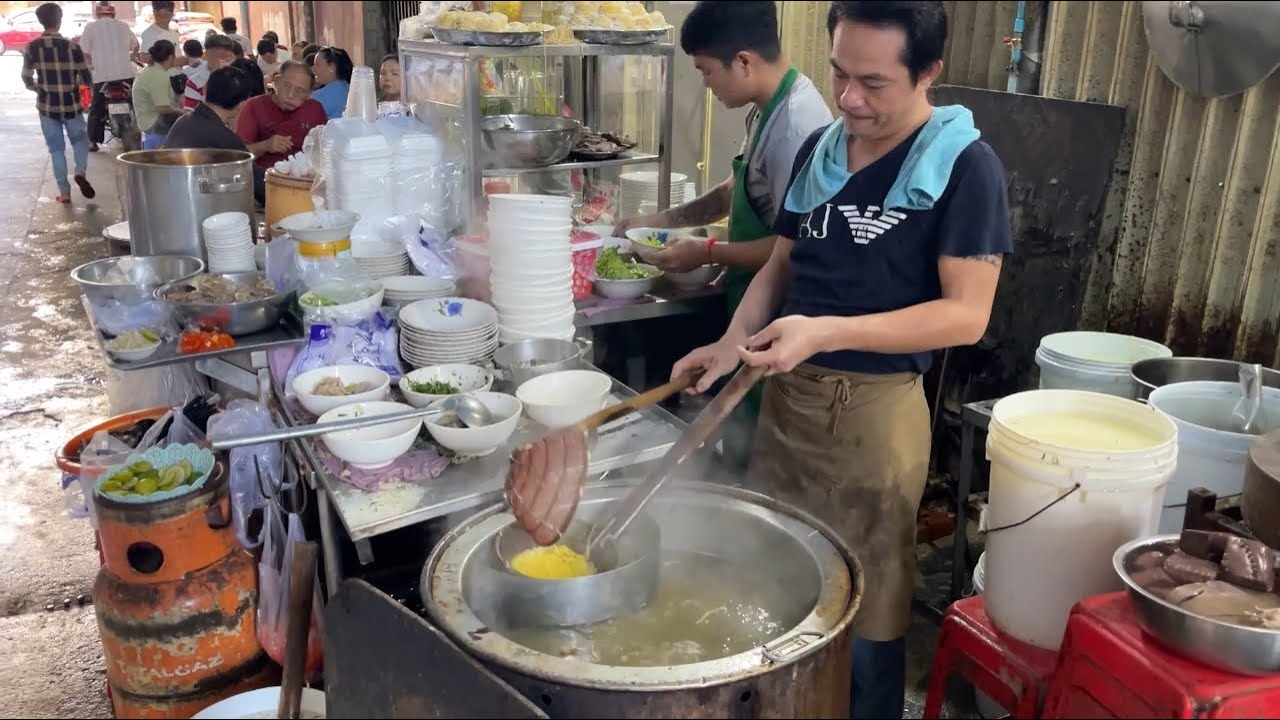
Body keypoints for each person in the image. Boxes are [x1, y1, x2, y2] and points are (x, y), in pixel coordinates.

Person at [670, 3, 1011, 717]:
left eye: (874, 83)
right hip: (786, 401)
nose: (849, 98)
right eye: (838, 73)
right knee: (774, 584)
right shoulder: (820, 148)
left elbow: (966, 314)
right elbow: (782, 267)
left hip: (873, 418)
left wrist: (823, 332)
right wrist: (731, 344)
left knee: (867, 606)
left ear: (929, 73)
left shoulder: (964, 168)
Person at [614, 1, 832, 469]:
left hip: (779, 320)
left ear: (745, 62)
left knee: (758, 449)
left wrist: (707, 252)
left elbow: (793, 249)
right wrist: (655, 222)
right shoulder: (765, 110)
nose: (705, 85)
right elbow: (732, 191)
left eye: (706, 72)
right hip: (747, 307)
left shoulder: (797, 126)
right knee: (737, 435)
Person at [22, 2, 95, 204]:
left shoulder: (32, 48)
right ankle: (80, 171)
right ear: (60, 20)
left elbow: (26, 78)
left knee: (56, 149)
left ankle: (64, 193)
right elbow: (87, 77)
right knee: (80, 141)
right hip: (72, 105)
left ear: (40, 21)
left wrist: (39, 88)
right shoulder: (73, 47)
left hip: (47, 107)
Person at [165, 66, 265, 206]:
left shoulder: (183, 122)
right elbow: (259, 186)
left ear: (205, 90)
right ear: (241, 105)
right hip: (200, 211)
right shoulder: (224, 138)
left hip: (172, 202)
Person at [236, 61, 326, 169]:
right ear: (277, 82)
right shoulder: (254, 106)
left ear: (309, 94)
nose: (291, 95)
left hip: (303, 178)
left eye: (300, 90)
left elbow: (324, 152)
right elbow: (238, 156)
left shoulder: (315, 109)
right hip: (265, 178)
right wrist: (266, 145)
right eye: (287, 86)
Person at [79, 1, 139, 152]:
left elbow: (84, 51)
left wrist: (92, 64)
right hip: (126, 74)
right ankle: (138, 133)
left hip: (102, 76)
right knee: (135, 104)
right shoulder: (123, 26)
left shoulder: (91, 27)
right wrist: (132, 56)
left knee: (97, 108)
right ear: (113, 13)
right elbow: (136, 45)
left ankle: (93, 141)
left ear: (98, 14)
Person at [132, 40, 183, 150]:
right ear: (170, 57)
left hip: (145, 121)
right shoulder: (159, 75)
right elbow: (162, 108)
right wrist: (182, 111)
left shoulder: (150, 70)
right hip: (154, 124)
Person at [183, 34, 236, 110]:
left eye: (224, 57)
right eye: (215, 57)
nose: (220, 62)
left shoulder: (239, 78)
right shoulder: (194, 83)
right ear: (206, 55)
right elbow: (190, 114)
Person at [311, 46, 353, 120]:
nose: (313, 69)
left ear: (331, 67)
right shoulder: (351, 89)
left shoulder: (318, 97)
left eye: (317, 65)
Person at [138, 0, 178, 65]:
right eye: (159, 15)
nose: (163, 18)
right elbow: (144, 57)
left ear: (171, 15)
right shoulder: (149, 33)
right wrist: (168, 62)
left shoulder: (174, 33)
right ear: (154, 13)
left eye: (166, 15)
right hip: (163, 74)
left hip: (178, 72)